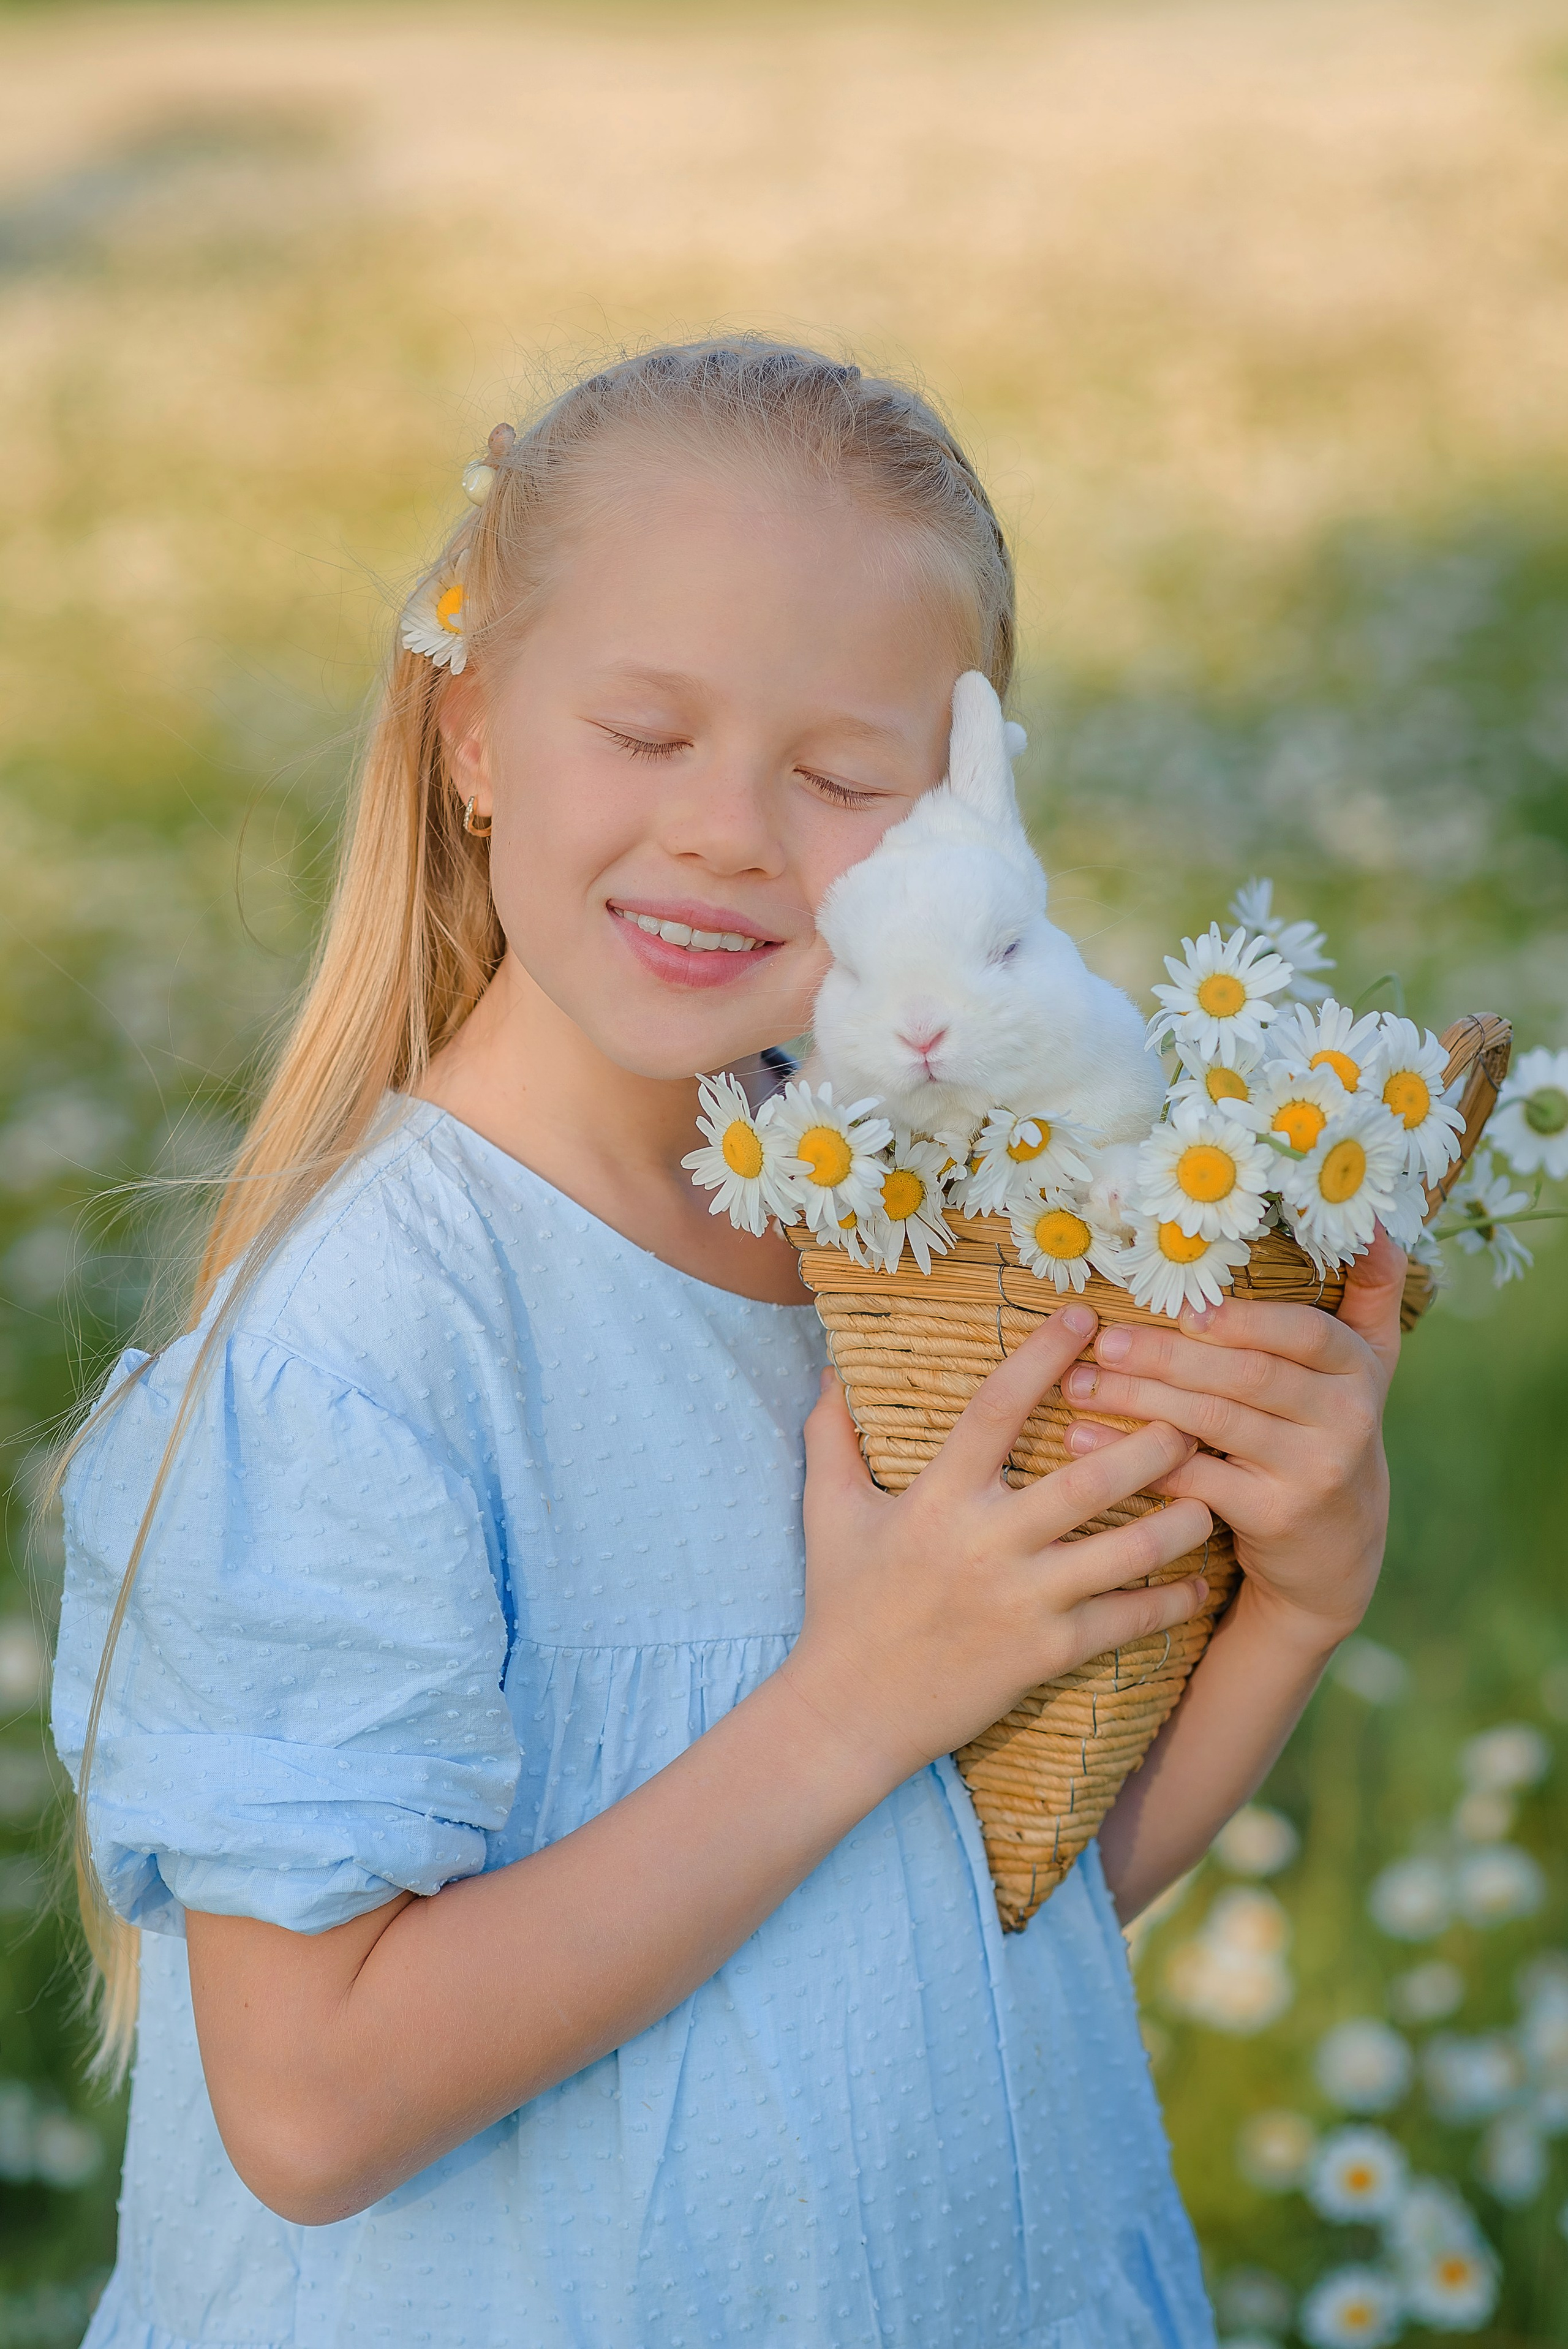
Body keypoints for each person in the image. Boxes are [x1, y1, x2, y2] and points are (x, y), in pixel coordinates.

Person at [51, 340, 1404, 2349]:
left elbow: (974, 1908)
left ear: (960, 814)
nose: (726, 832)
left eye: (841, 778)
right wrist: (854, 1700)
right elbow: (313, 2104)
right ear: (475, 736)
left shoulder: (925, 1225)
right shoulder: (372, 1350)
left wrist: (1296, 1599)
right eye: (647, 730)